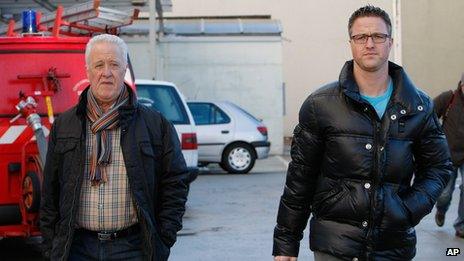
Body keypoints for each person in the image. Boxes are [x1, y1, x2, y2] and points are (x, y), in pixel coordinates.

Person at [273, 5, 453, 261]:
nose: (370, 44)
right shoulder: (320, 105)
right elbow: (300, 178)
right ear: (351, 43)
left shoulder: (418, 106)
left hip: (393, 244)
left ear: (390, 42)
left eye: (378, 36)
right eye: (361, 37)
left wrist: (408, 209)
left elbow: (439, 167)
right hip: (334, 245)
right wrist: (285, 243)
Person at [39, 34, 189, 261]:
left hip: (134, 249)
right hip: (77, 248)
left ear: (124, 69)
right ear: (88, 71)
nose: (106, 73)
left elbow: (175, 182)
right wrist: (52, 245)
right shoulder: (65, 124)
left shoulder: (155, 124)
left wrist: (164, 237)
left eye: (114, 64)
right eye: (99, 65)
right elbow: (50, 190)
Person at [433, 74, 464, 238]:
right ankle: (441, 210)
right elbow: (428, 115)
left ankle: (461, 226)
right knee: (444, 193)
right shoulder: (449, 98)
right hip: (447, 154)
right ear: (461, 84)